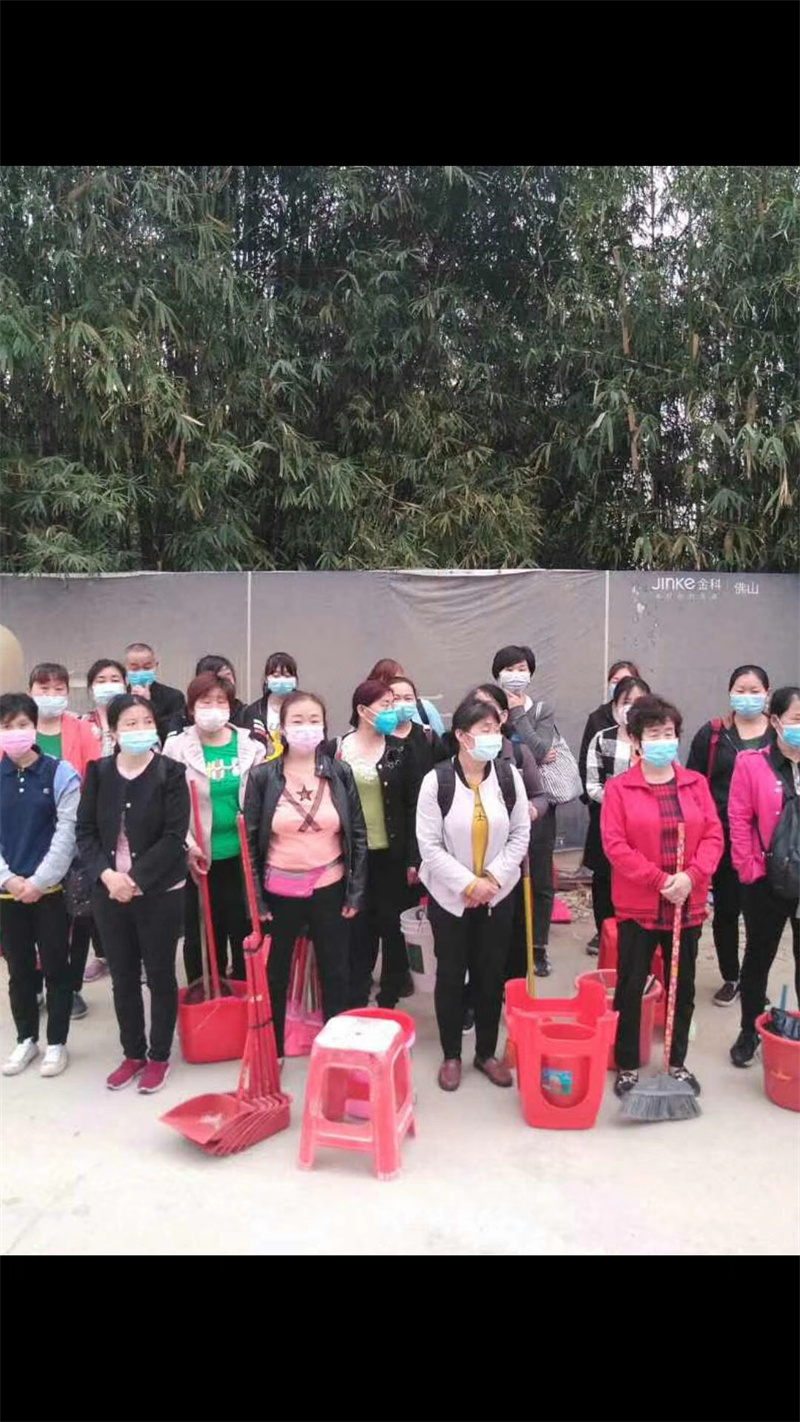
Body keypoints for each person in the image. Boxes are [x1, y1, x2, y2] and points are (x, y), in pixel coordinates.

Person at [601, 693, 724, 1099]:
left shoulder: (695, 784)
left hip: (686, 905)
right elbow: (615, 845)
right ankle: (627, 1063)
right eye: (654, 734)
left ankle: (676, 1062)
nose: (663, 741)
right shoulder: (620, 789)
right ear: (636, 741)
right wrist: (659, 880)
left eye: (669, 733)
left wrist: (691, 877)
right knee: (631, 986)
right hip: (640, 906)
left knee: (682, 987)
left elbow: (713, 836)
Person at [244, 691, 368, 1058]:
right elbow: (250, 841)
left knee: (336, 972)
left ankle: (335, 1048)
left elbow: (357, 833)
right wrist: (257, 899)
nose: (306, 727)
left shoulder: (339, 772)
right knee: (276, 973)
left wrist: (354, 891)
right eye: (297, 721)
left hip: (330, 888)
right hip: (279, 892)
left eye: (314, 720)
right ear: (281, 728)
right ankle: (275, 1051)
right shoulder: (263, 776)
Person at [77, 694, 190, 1092]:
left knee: (159, 974)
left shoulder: (171, 772)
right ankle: (133, 1053)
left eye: (146, 722)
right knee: (123, 975)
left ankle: (159, 1055)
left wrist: (135, 879)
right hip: (109, 891)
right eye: (130, 723)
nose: (140, 729)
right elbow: (85, 832)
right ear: (114, 731)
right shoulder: (99, 772)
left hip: (159, 891)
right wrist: (109, 876)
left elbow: (174, 836)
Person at [416, 696, 530, 1091]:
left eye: (496, 729)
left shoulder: (508, 777)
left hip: (498, 896)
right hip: (451, 899)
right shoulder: (437, 782)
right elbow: (429, 846)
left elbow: (520, 834)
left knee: (490, 974)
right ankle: (451, 1055)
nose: (494, 736)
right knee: (451, 974)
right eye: (485, 730)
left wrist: (492, 880)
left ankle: (485, 1052)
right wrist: (468, 884)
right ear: (463, 737)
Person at [163, 671, 266, 984]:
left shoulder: (251, 746)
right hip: (198, 858)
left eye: (221, 701)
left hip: (241, 857)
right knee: (203, 936)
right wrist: (188, 846)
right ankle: (208, 991)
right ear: (191, 707)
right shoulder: (176, 748)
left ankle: (244, 993)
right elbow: (168, 808)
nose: (213, 708)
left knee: (242, 929)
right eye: (205, 702)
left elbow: (262, 801)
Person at [327, 679, 421, 1009]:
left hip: (392, 855)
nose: (392, 711)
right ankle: (357, 995)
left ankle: (389, 998)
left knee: (393, 928)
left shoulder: (401, 750)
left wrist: (414, 857)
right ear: (362, 710)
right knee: (357, 927)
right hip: (353, 856)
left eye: (394, 704)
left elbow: (413, 805)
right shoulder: (337, 749)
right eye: (385, 704)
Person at [0, 692, 80, 1078]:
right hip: (7, 893)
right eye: (6, 726)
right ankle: (26, 1039)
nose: (15, 732)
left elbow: (67, 832)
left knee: (56, 968)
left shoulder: (59, 772)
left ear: (34, 727)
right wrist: (9, 879)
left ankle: (57, 1042)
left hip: (50, 892)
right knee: (18, 971)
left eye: (22, 724)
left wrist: (39, 880)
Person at [686, 664, 773, 1006]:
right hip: (723, 835)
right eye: (740, 690)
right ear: (729, 692)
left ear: (767, 694)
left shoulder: (779, 735)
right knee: (726, 909)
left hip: (769, 840)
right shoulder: (713, 734)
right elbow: (693, 784)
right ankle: (731, 976)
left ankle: (755, 979)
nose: (747, 697)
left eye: (755, 691)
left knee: (762, 913)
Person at [728, 685, 800, 1069]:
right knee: (758, 956)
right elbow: (739, 818)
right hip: (766, 879)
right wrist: (750, 869)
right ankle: (749, 1032)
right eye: (797, 719)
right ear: (776, 721)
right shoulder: (752, 763)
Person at [26, 661, 101, 1019]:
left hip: (73, 836)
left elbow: (95, 779)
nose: (52, 695)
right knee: (32, 914)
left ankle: (70, 987)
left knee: (75, 916)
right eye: (44, 689)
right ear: (30, 692)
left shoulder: (81, 730)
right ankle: (36, 982)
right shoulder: (17, 730)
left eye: (59, 689)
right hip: (28, 837)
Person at [469, 684, 549, 990]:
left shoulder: (516, 752)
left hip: (512, 858)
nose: (485, 715)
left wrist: (532, 809)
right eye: (477, 708)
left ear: (503, 716)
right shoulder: (455, 756)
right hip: (472, 858)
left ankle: (511, 988)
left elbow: (539, 795)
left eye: (492, 710)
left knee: (514, 927)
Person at [491, 644, 558, 975]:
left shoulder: (540, 709)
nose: (516, 675)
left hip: (536, 802)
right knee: (504, 876)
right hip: (497, 807)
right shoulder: (489, 706)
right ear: (497, 674)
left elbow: (542, 750)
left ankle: (538, 947)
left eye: (522, 669)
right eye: (509, 669)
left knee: (540, 879)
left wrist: (518, 714)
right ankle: (508, 945)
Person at [578, 658, 642, 949]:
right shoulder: (600, 731)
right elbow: (590, 777)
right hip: (607, 816)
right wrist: (616, 800)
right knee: (604, 876)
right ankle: (604, 931)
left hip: (643, 823)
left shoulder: (654, 738)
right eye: (625, 699)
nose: (632, 706)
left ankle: (635, 929)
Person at [79, 657, 129, 984]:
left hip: (130, 807)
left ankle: (134, 955)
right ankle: (103, 954)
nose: (108, 685)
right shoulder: (82, 723)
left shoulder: (135, 717)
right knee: (99, 880)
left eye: (114, 678)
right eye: (101, 680)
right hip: (94, 806)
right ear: (90, 687)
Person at [123, 642, 186, 744]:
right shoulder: (119, 697)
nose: (141, 672)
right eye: (135, 668)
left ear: (155, 666)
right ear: (126, 667)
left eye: (147, 667)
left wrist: (149, 704)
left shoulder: (173, 696)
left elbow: (174, 732)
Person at [388, 674, 448, 781]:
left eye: (408, 698)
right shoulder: (377, 736)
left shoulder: (428, 736)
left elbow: (444, 771)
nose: (402, 704)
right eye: (396, 699)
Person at [241, 652, 299, 757]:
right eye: (276, 676)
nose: (282, 680)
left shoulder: (306, 706)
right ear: (266, 679)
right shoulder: (254, 711)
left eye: (287, 676)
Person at [369, 658, 446, 736]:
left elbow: (439, 736)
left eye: (398, 680)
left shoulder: (424, 708)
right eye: (396, 698)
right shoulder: (373, 711)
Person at [194, 655, 247, 727]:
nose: (227, 682)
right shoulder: (186, 716)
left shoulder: (245, 714)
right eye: (221, 677)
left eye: (228, 675)